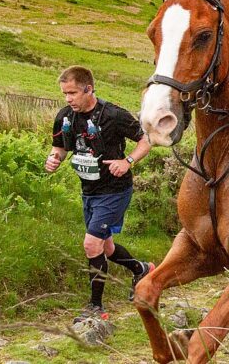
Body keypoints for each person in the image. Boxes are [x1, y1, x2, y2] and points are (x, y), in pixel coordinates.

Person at [45, 66, 154, 322]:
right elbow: (59, 148)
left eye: (72, 93)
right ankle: (142, 269)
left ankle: (96, 308)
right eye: (64, 94)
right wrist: (53, 159)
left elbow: (146, 140)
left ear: (88, 89)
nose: (68, 99)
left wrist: (127, 161)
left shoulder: (113, 115)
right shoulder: (65, 117)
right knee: (105, 247)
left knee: (91, 244)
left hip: (115, 190)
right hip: (89, 191)